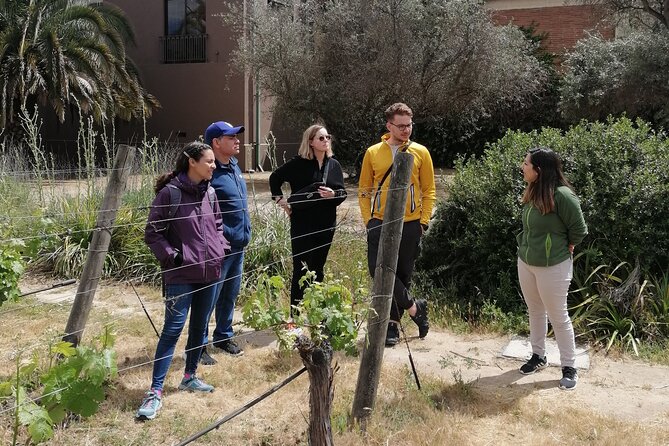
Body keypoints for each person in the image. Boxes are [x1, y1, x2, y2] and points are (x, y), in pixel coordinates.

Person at [136, 142, 230, 420]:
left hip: (209, 272)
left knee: (200, 326)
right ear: (192, 162)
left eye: (214, 162)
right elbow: (152, 234)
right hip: (180, 275)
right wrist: (173, 257)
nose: (214, 166)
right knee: (172, 330)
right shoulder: (170, 193)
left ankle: (190, 375)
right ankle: (155, 392)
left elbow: (218, 227)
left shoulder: (210, 193)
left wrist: (220, 250)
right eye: (209, 161)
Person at [358, 102, 435, 347]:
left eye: (409, 125)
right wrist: (368, 220)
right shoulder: (373, 152)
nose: (405, 130)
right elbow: (364, 190)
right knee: (378, 270)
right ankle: (415, 308)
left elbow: (429, 190)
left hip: (411, 223)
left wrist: (423, 222)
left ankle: (392, 325)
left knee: (401, 273)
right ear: (389, 125)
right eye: (400, 126)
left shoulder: (420, 151)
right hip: (379, 222)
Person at [517, 147, 588, 390]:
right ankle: (539, 356)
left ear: (539, 170)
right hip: (526, 262)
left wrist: (566, 247)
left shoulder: (563, 196)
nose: (522, 167)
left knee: (558, 316)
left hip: (554, 266)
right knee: (535, 310)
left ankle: (569, 366)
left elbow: (579, 230)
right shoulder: (533, 191)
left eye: (526, 164)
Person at [269, 124, 347, 315]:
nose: (326, 141)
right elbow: (275, 178)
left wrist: (333, 193)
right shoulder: (298, 164)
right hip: (302, 224)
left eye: (328, 137)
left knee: (318, 268)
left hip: (326, 224)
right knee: (301, 269)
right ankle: (295, 315)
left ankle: (316, 313)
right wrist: (281, 201)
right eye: (321, 138)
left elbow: (342, 192)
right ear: (310, 142)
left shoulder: (333, 164)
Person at [199, 121, 251, 364]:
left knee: (229, 295)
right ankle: (198, 346)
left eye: (236, 136)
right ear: (216, 143)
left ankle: (223, 335)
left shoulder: (234, 167)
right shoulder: (208, 173)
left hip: (238, 246)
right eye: (231, 137)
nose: (237, 140)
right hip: (219, 249)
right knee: (209, 297)